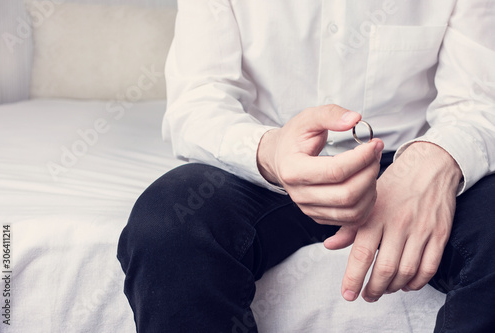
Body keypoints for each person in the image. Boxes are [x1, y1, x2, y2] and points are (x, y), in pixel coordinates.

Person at [117, 0, 495, 332]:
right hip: (263, 158)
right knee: (168, 225)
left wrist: (433, 159)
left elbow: (478, 100)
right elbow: (198, 101)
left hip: (412, 162)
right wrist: (272, 152)